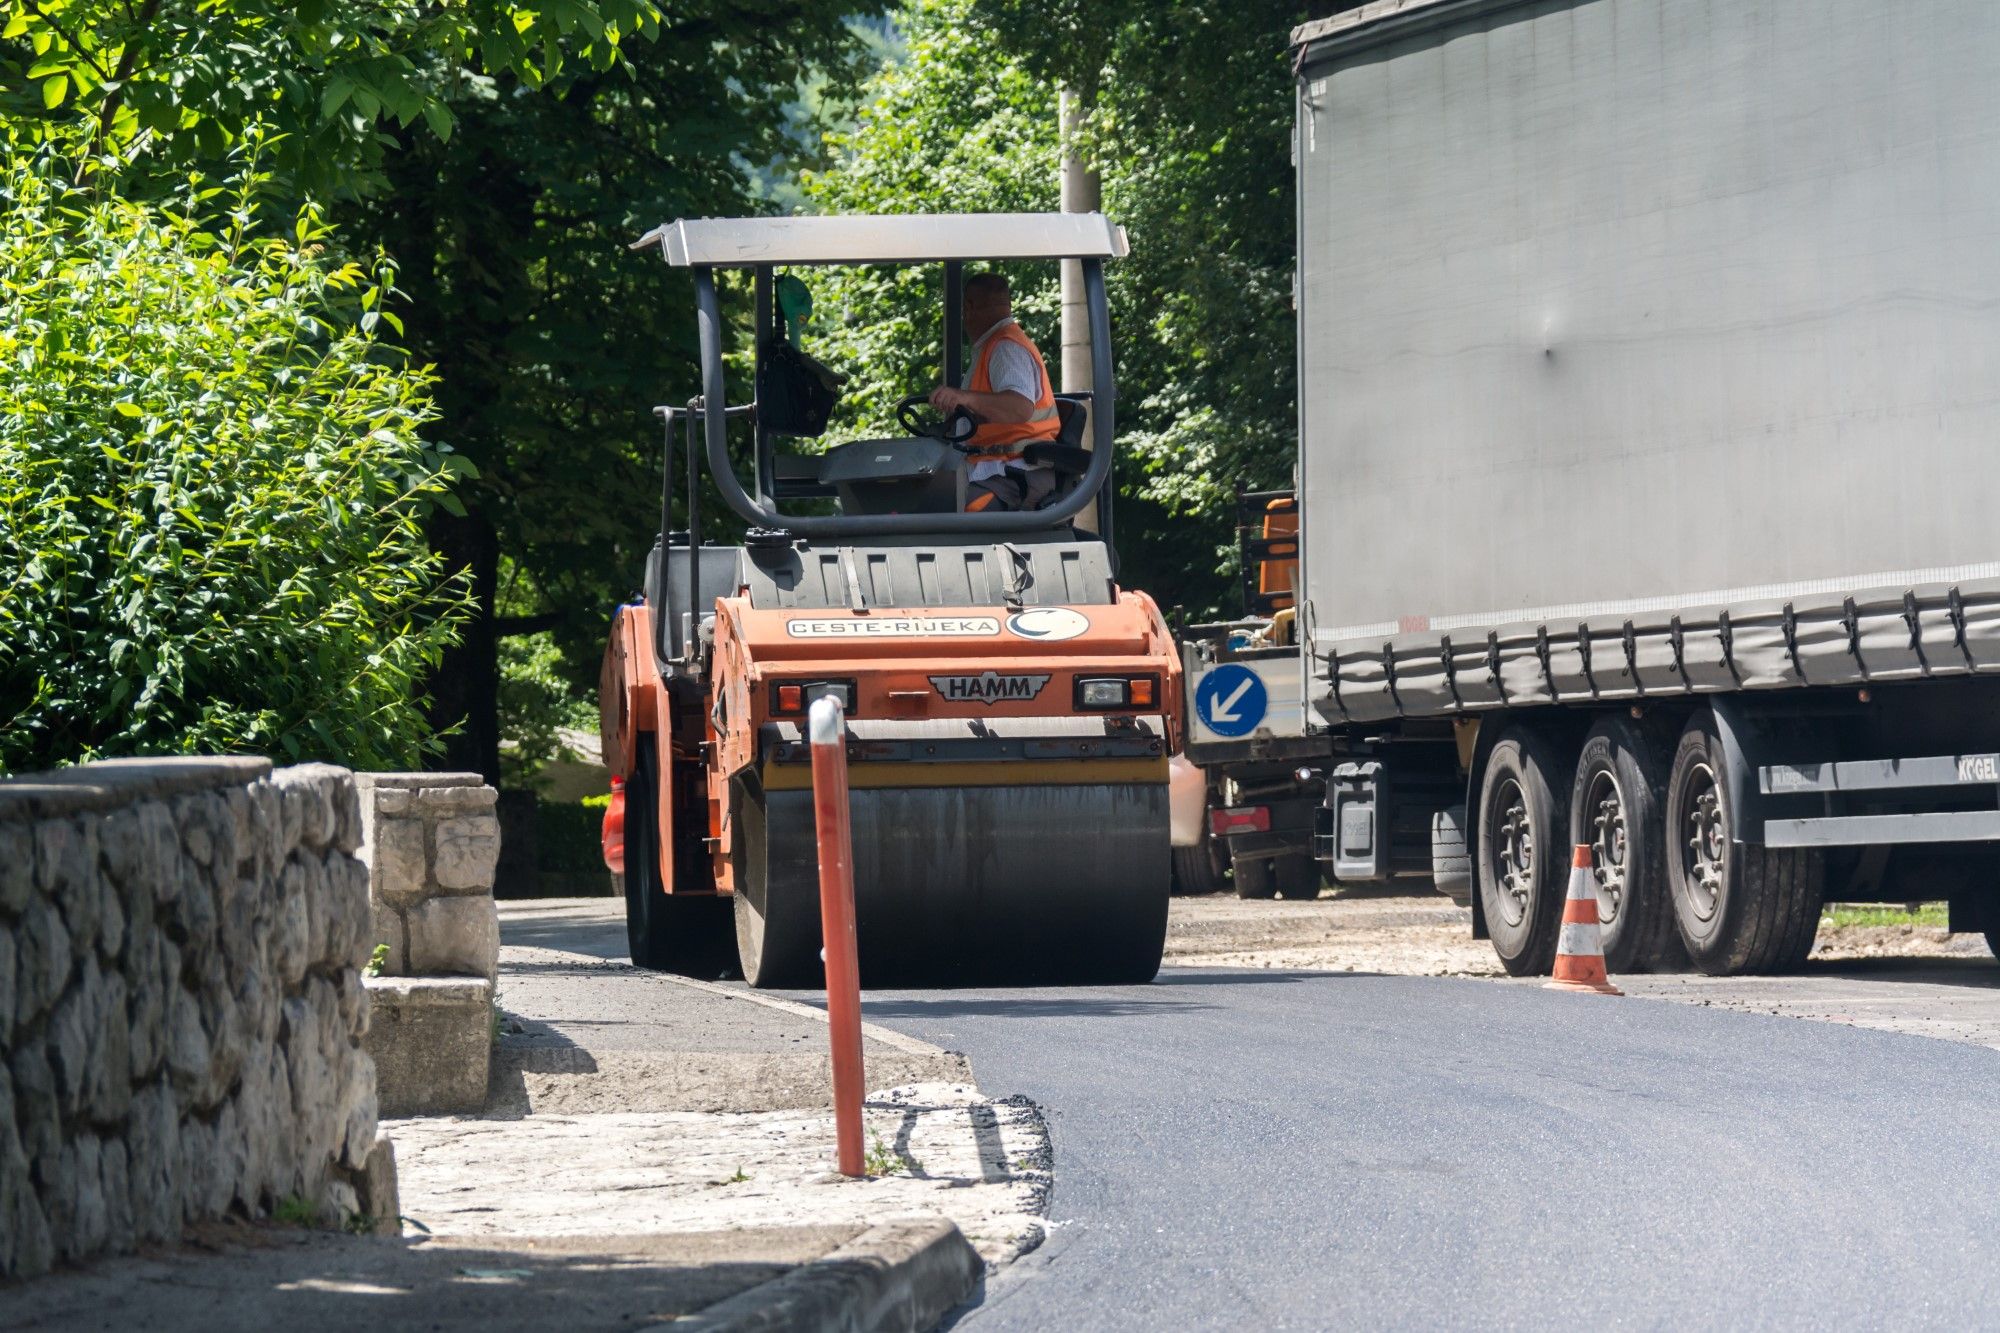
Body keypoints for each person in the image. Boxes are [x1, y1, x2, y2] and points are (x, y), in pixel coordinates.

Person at [927, 273, 1062, 511]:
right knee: (926, 499)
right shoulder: (993, 347)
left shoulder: (1005, 348)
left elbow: (1019, 408)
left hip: (1015, 475)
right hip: (995, 472)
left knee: (943, 513)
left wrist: (963, 397)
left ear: (968, 308)